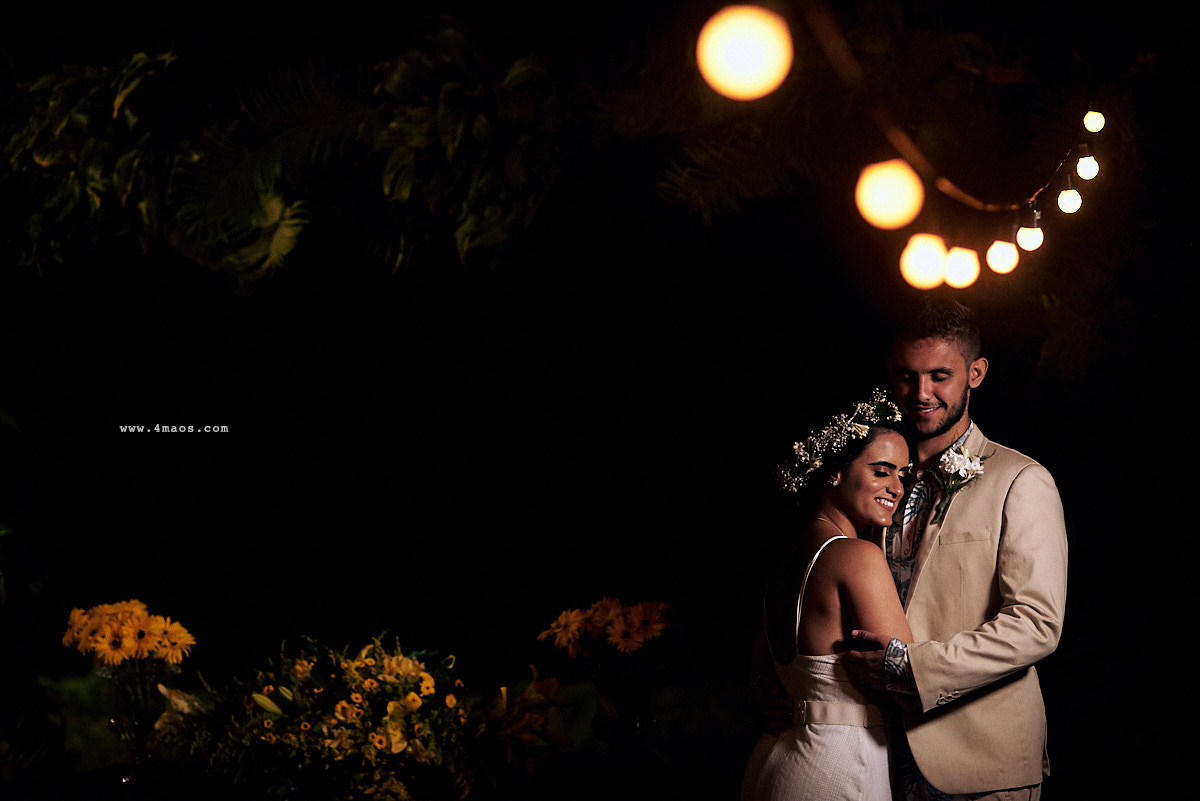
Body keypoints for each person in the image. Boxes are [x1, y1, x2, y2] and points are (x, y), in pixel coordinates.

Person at [845, 298, 1068, 801]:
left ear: (976, 373)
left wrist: (912, 668)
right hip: (874, 755)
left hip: (981, 760)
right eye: (907, 376)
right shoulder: (873, 481)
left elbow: (1037, 623)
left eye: (939, 376)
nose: (921, 393)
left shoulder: (1021, 480)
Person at [742, 389, 915, 801]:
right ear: (835, 471)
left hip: (775, 758)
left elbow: (760, 675)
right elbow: (911, 677)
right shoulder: (857, 556)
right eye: (882, 471)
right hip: (837, 764)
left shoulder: (788, 558)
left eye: (903, 475)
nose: (897, 488)